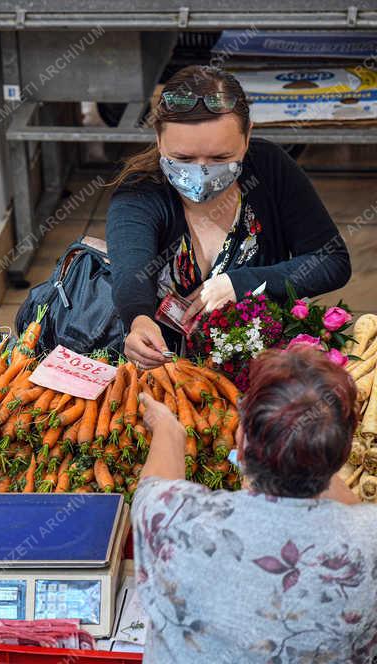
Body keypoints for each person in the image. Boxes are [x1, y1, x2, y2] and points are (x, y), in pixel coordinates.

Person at [134, 347, 377, 663]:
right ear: (343, 455)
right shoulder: (368, 538)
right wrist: (308, 455)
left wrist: (167, 427)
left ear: (241, 442)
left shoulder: (173, 518)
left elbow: (154, 486)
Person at [106, 65, 351, 370]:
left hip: (259, 364)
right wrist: (140, 321)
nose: (202, 172)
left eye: (221, 158)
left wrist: (242, 282)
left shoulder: (269, 168)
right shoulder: (139, 193)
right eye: (183, 159)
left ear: (247, 138)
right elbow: (131, 275)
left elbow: (331, 260)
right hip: (166, 372)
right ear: (158, 140)